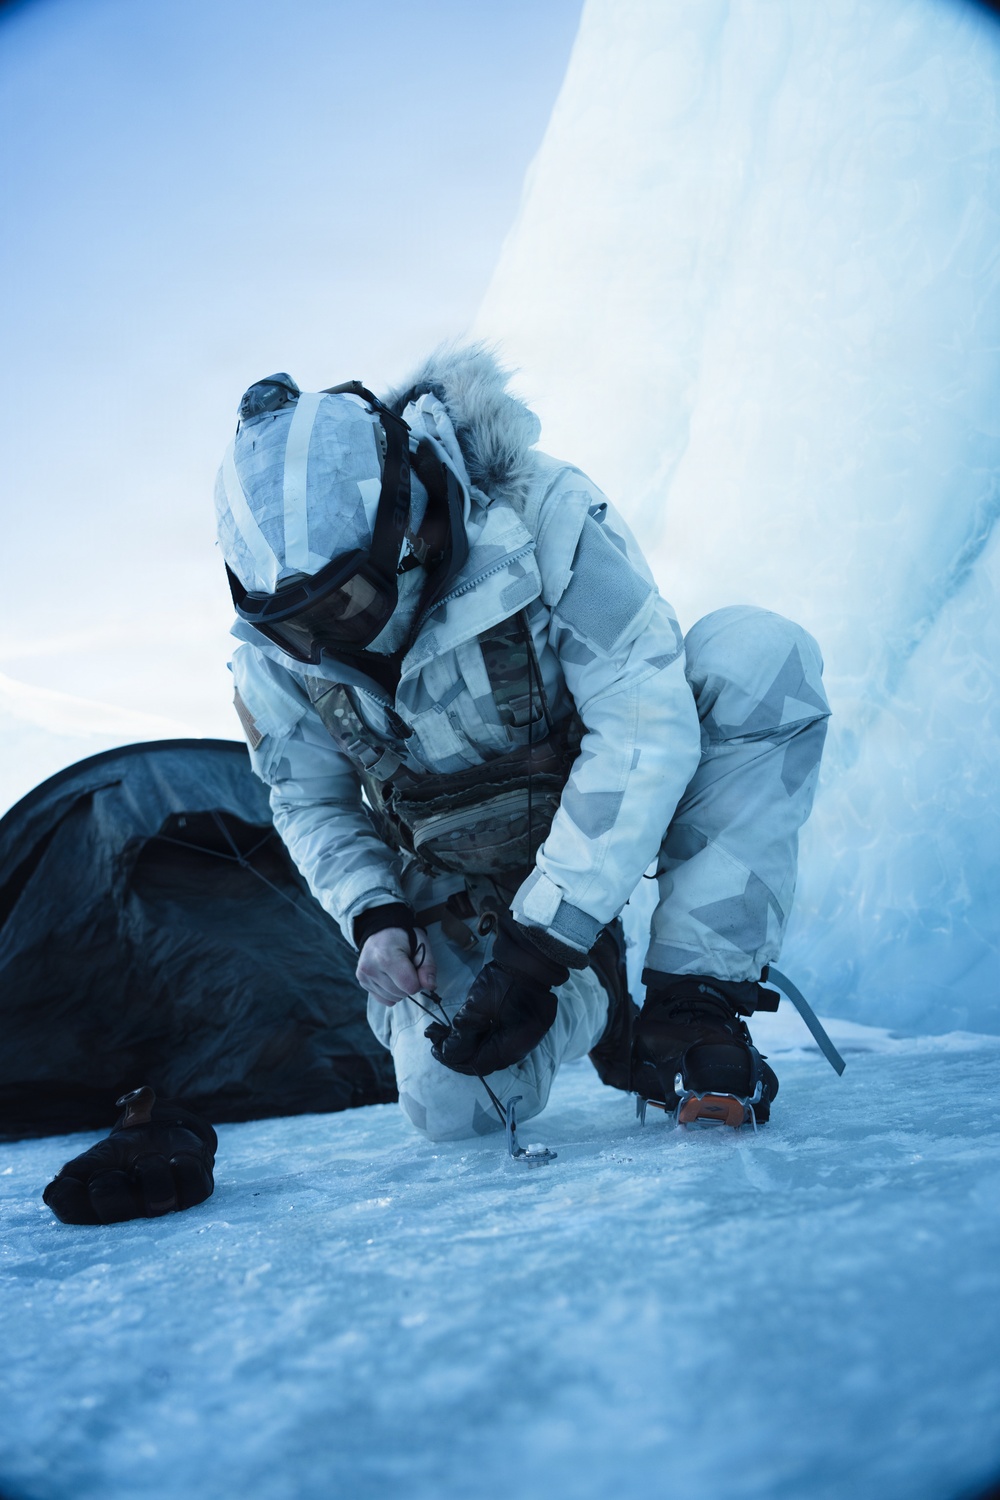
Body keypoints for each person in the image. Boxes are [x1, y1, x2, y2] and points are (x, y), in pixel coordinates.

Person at [212, 345, 831, 1144]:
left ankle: (693, 1005)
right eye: (290, 628)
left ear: (405, 526)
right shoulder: (278, 649)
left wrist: (536, 953)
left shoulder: (546, 517)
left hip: (607, 807)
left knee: (760, 661)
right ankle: (598, 997)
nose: (321, 645)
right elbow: (308, 797)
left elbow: (641, 725)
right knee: (452, 1108)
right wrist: (375, 915)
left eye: (346, 603)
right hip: (460, 881)